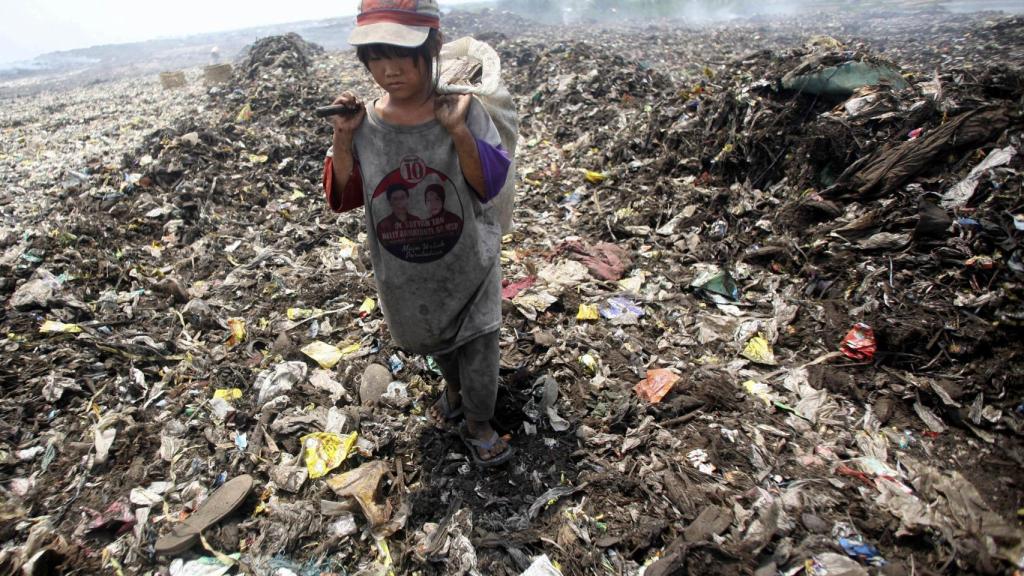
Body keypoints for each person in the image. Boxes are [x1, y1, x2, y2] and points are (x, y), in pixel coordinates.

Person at [322, 0, 513, 465]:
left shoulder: (462, 109)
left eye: (401, 54)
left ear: (433, 46)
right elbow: (343, 197)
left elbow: (488, 182)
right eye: (376, 57)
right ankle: (453, 389)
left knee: (480, 340)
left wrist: (457, 131)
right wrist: (343, 137)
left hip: (469, 256)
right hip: (408, 271)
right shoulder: (364, 123)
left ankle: (479, 423)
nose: (389, 70)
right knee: (435, 340)